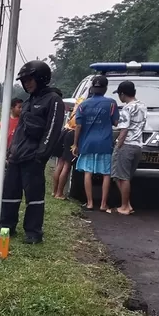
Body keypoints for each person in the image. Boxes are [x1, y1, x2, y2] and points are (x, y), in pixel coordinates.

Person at [1, 61, 64, 244]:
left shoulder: (53, 100)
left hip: (33, 158)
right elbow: (19, 130)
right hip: (16, 157)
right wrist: (10, 151)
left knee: (34, 198)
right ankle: (6, 227)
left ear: (41, 78)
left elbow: (52, 131)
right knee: (9, 194)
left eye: (30, 79)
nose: (27, 83)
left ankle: (33, 232)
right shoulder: (28, 102)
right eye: (25, 80)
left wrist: (41, 156)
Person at [73, 75, 120, 212]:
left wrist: (75, 144)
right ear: (105, 89)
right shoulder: (111, 103)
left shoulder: (83, 105)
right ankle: (103, 204)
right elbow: (116, 123)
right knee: (106, 173)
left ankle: (89, 203)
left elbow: (78, 126)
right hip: (105, 143)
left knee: (88, 172)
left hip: (87, 143)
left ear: (92, 89)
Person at [112, 81, 147, 215]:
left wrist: (118, 145)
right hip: (138, 145)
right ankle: (128, 205)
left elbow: (124, 130)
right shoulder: (143, 106)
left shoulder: (127, 109)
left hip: (126, 145)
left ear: (122, 94)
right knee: (124, 177)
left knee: (122, 177)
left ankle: (124, 207)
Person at [52, 101, 80, 200]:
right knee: (67, 165)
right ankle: (59, 193)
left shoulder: (79, 101)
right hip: (73, 133)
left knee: (60, 163)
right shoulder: (86, 104)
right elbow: (78, 125)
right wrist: (76, 144)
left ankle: (54, 191)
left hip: (65, 131)